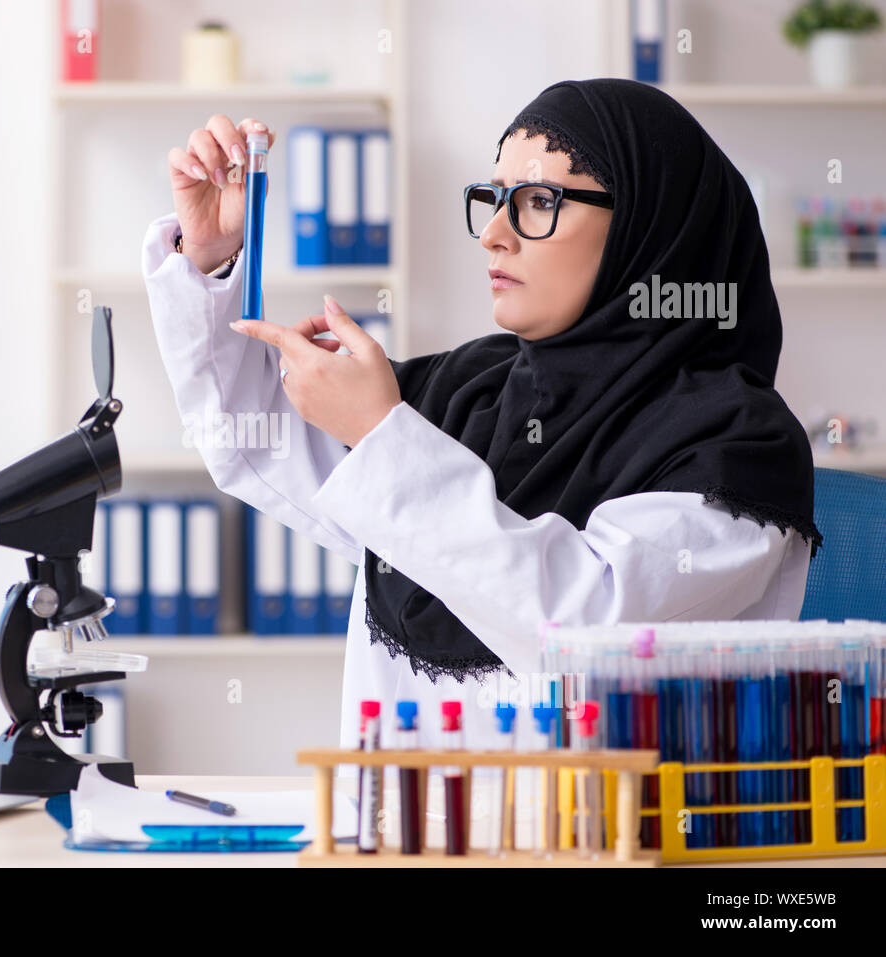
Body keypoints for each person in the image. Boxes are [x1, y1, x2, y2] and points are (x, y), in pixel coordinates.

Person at [140, 79, 821, 753]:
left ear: (651, 227)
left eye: (538, 201)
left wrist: (382, 436)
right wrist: (210, 257)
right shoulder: (472, 388)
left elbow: (585, 634)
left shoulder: (738, 445)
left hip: (606, 854)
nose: (494, 233)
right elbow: (252, 443)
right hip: (398, 840)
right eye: (495, 199)